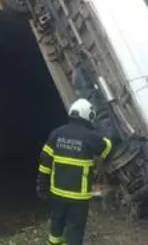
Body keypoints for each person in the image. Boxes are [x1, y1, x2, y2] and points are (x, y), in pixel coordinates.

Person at [37, 98, 112, 245]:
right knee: (74, 230)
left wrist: (42, 186)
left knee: (56, 225)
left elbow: (45, 164)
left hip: (56, 192)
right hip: (78, 197)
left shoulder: (56, 134)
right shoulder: (90, 137)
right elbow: (106, 149)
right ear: (88, 116)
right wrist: (100, 131)